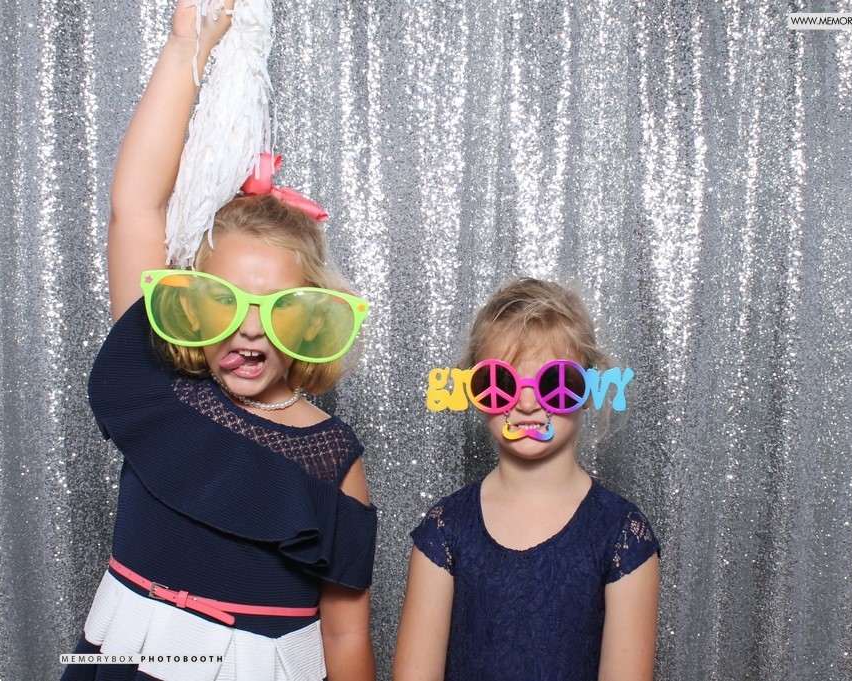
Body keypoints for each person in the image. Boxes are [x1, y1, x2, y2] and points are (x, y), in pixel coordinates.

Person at [60, 2, 376, 679]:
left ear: (312, 319)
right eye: (225, 303)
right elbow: (136, 207)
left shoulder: (333, 456)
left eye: (278, 309)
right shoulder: (159, 385)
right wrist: (186, 49)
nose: (250, 327)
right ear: (190, 303)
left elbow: (347, 633)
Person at [394, 278, 660, 681]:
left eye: (555, 384)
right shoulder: (445, 529)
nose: (528, 403)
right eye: (502, 384)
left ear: (590, 389)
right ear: (473, 391)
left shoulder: (623, 535)